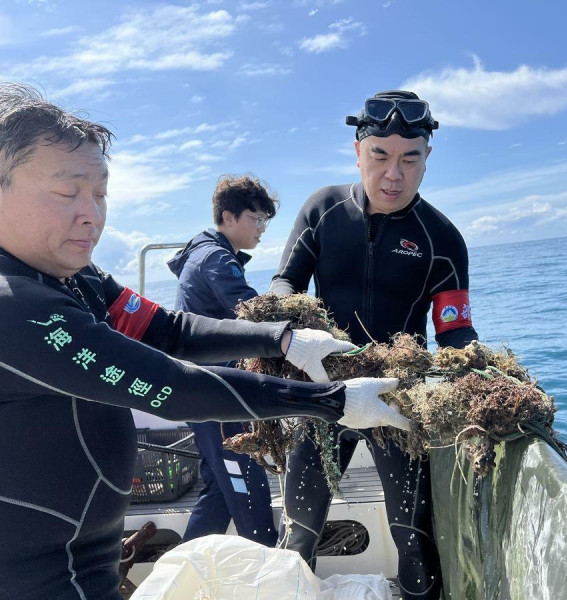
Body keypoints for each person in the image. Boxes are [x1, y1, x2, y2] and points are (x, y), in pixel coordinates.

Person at [0, 82, 409, 600]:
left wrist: (282, 340)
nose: (93, 214)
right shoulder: (13, 304)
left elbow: (168, 331)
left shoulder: (75, 278)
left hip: (89, 568)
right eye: (67, 192)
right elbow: (168, 386)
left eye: (100, 193)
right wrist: (333, 402)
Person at [270, 90, 478, 600]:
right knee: (298, 534)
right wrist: (290, 328)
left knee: (413, 539)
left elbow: (456, 332)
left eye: (410, 158)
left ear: (427, 158)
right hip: (323, 394)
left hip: (396, 404)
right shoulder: (323, 209)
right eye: (380, 156)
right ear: (358, 153)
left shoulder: (442, 240)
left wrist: (478, 370)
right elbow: (283, 286)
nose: (393, 174)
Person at [167, 175, 281, 547]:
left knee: (218, 489)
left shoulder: (205, 253)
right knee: (246, 480)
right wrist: (296, 327)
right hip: (215, 394)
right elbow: (251, 310)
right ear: (229, 217)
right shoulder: (216, 258)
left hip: (204, 391)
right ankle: (272, 573)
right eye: (257, 218)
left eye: (266, 220)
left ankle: (181, 577)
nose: (262, 228)